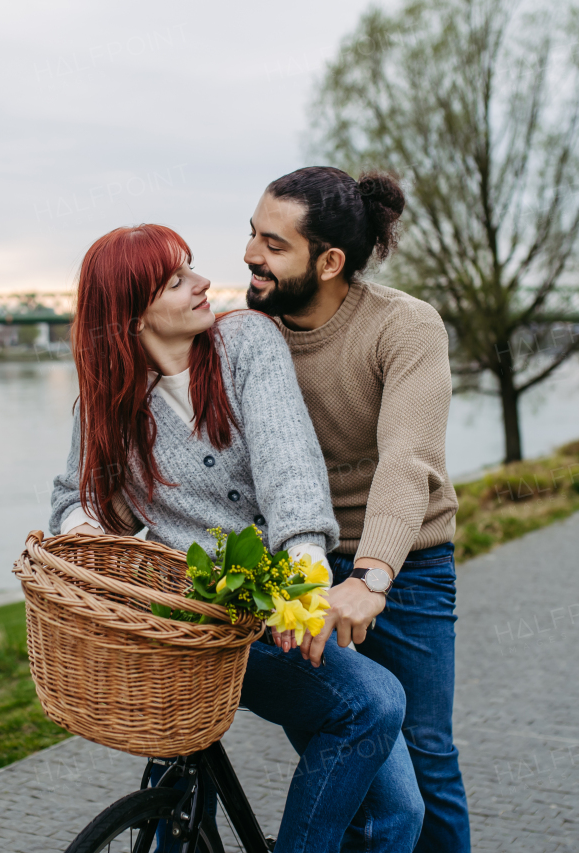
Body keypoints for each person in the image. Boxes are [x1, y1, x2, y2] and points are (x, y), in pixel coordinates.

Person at [49, 223, 423, 852]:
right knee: (373, 702)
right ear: (132, 314)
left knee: (397, 811)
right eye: (176, 280)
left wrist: (303, 570)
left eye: (192, 267)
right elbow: (77, 503)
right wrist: (87, 531)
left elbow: (290, 465)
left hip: (283, 605)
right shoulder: (109, 405)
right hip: (193, 627)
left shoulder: (245, 343)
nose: (203, 284)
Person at [244, 167, 471, 853]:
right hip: (301, 559)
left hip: (405, 564)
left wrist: (371, 577)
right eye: (251, 234)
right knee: (355, 757)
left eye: (274, 244)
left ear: (330, 261)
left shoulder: (405, 327)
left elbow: (408, 460)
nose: (252, 254)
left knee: (427, 753)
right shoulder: (249, 332)